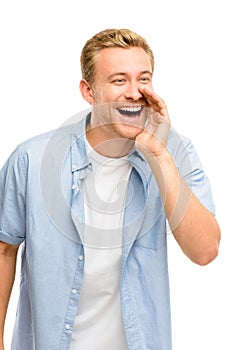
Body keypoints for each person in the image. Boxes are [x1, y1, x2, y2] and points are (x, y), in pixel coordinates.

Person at [0, 28, 221, 350]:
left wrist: (159, 154)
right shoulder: (31, 159)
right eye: (119, 80)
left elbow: (205, 251)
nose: (134, 92)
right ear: (88, 91)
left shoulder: (177, 152)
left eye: (143, 79)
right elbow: (4, 249)